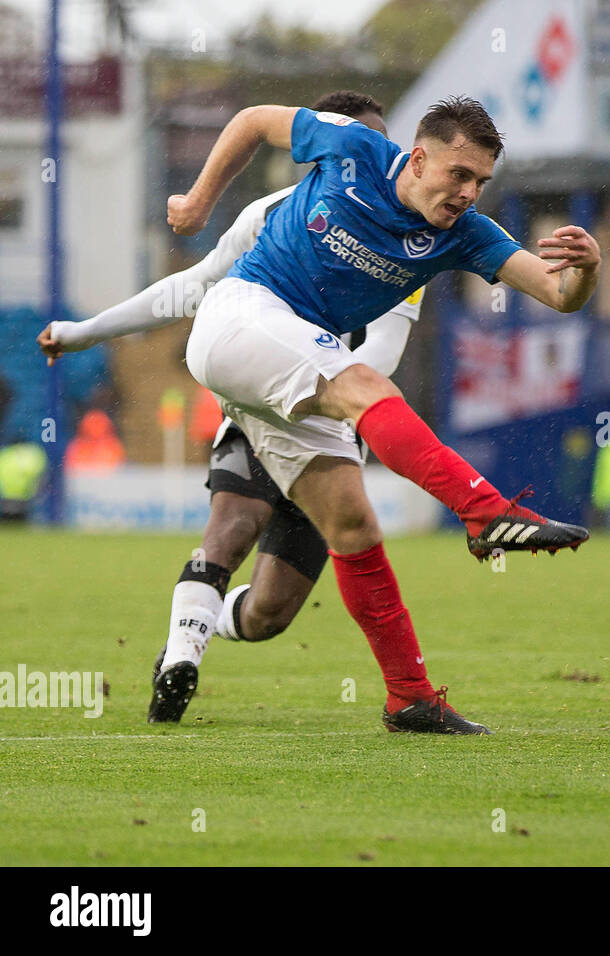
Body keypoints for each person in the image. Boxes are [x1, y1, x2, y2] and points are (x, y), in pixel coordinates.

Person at [163, 95, 600, 735]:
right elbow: (256, 120)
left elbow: (560, 294)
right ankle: (485, 513)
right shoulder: (353, 147)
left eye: (480, 181)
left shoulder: (465, 235)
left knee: (353, 526)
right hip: (242, 317)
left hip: (298, 361)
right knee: (365, 384)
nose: (469, 193)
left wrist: (587, 270)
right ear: (418, 158)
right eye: (459, 174)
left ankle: (410, 698)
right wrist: (200, 201)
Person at [39, 92, 430, 722]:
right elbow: (190, 289)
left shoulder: (412, 242)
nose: (371, 158)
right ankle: (180, 657)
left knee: (269, 614)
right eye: (356, 144)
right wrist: (84, 330)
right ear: (319, 156)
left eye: (384, 146)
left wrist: (330, 391)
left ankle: (206, 618)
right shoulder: (269, 216)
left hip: (330, 430)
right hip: (258, 409)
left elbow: (384, 347)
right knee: (230, 529)